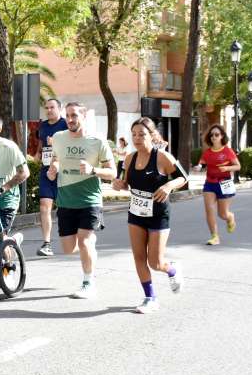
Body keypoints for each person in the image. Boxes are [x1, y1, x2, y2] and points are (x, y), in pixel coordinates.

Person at [111, 117, 187, 313]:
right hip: (136, 212)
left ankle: (171, 269)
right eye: (134, 134)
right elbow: (124, 182)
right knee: (138, 258)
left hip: (158, 214)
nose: (137, 138)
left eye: (142, 134)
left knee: (155, 262)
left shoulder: (162, 157)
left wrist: (168, 185)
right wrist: (118, 184)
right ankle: (150, 297)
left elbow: (183, 177)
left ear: (152, 136)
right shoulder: (129, 159)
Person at [46, 102, 116, 299]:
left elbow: (112, 173)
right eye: (67, 115)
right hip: (66, 200)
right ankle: (88, 247)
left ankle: (88, 282)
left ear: (83, 117)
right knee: (69, 249)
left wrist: (94, 170)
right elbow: (56, 159)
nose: (70, 119)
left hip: (89, 199)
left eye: (74, 115)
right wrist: (54, 169)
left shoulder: (97, 141)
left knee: (84, 242)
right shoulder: (58, 138)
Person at [196, 124, 240, 246]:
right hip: (210, 184)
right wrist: (198, 167)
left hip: (224, 184)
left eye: (216, 134)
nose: (213, 137)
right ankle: (215, 236)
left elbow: (238, 166)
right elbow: (202, 164)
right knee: (209, 210)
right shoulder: (207, 152)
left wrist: (227, 167)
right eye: (211, 135)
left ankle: (230, 217)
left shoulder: (227, 151)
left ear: (222, 136)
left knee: (222, 214)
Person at [35, 98, 68, 257]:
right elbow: (42, 143)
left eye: (52, 107)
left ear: (59, 109)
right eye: (46, 107)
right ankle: (46, 243)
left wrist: (57, 143)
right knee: (44, 205)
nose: (49, 110)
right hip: (46, 170)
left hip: (64, 172)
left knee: (64, 208)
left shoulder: (66, 124)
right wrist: (37, 153)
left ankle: (70, 236)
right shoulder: (43, 126)